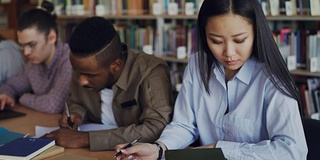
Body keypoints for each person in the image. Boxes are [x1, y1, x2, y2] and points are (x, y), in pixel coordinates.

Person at [115, 0, 308, 159]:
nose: (229, 53)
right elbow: (184, 125)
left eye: (240, 40)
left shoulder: (272, 78)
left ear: (257, 34)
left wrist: (221, 149)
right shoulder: (198, 64)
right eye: (216, 41)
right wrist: (159, 149)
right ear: (203, 35)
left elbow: (292, 151)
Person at [43, 17, 174, 151]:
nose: (81, 81)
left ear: (115, 65)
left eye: (90, 75)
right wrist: (76, 114)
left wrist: (86, 138)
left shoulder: (150, 72)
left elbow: (156, 127)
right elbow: (76, 102)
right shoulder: (83, 68)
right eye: (77, 72)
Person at [0, 0, 71, 114]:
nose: (26, 52)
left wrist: (22, 97)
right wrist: (6, 95)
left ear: (52, 37)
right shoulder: (33, 65)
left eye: (32, 45)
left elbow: (53, 105)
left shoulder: (68, 59)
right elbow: (11, 85)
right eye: (22, 45)